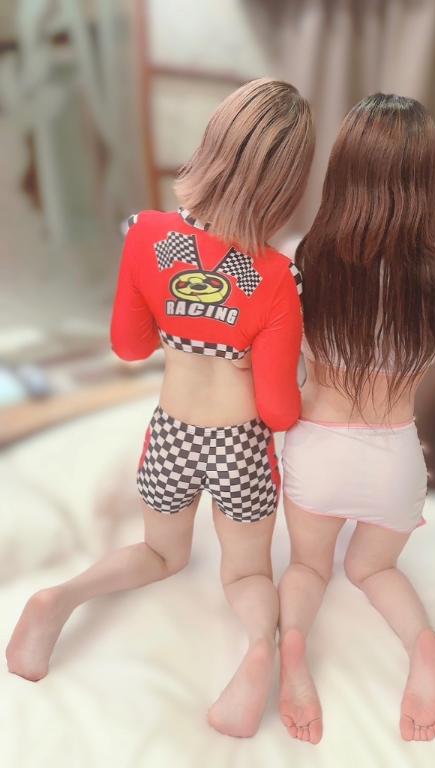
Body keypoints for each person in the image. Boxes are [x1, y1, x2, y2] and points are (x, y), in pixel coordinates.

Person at [5, 77, 314, 739]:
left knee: (160, 553)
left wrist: (180, 325)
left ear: (213, 147)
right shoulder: (277, 277)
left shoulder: (146, 234)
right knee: (246, 570)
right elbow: (278, 411)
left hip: (172, 431)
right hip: (238, 444)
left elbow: (128, 344)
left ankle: (59, 598)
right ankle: (256, 651)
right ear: (287, 185)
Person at [278, 93, 435, 745]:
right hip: (394, 456)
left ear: (342, 170)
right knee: (373, 569)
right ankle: (422, 644)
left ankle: (291, 647)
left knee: (309, 568)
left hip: (317, 448)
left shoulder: (298, 255)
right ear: (429, 177)